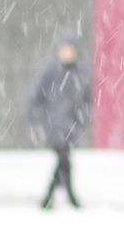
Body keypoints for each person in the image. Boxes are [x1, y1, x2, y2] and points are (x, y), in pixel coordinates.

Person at [27, 32, 90, 209]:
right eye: (64, 49)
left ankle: (53, 199)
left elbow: (85, 101)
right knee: (64, 160)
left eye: (70, 50)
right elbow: (35, 97)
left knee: (64, 162)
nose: (67, 53)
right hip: (54, 127)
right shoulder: (51, 73)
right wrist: (35, 120)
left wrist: (81, 122)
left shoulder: (80, 74)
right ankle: (62, 198)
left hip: (71, 127)